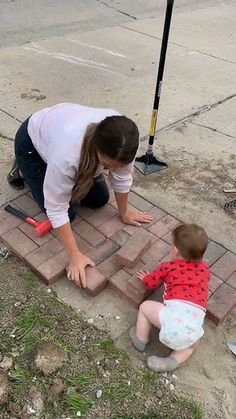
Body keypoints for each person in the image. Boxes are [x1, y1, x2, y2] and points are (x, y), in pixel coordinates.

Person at [10, 103, 153, 287]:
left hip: (60, 139)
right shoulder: (68, 154)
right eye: (107, 166)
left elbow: (121, 177)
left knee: (100, 199)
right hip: (32, 144)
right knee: (68, 214)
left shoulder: (125, 141)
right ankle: (23, 168)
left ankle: (52, 173)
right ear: (95, 149)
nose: (112, 171)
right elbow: (56, 207)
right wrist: (75, 255)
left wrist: (124, 213)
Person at [130, 224, 210, 373]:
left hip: (172, 323)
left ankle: (140, 339)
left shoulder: (168, 267)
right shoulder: (205, 270)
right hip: (192, 331)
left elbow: (151, 283)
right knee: (192, 346)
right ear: (202, 256)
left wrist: (145, 278)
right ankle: (173, 360)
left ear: (175, 250)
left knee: (145, 307)